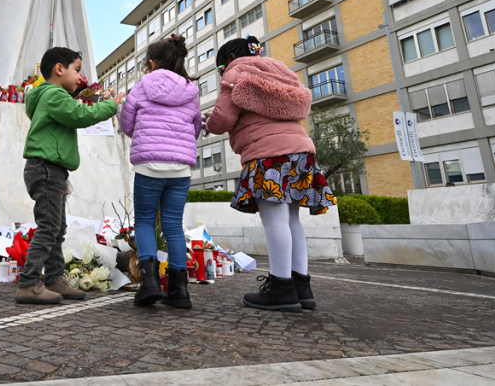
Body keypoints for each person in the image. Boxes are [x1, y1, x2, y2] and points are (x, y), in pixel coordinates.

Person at [204, 35, 335, 313]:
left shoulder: (237, 71)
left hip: (268, 155)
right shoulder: (279, 71)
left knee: (274, 220)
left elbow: (224, 119)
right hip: (301, 151)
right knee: (291, 220)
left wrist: (208, 122)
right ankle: (302, 287)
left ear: (228, 59)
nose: (221, 75)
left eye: (219, 69)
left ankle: (281, 288)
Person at [16, 46, 125, 305]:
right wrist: (112, 104)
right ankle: (29, 283)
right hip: (45, 169)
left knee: (57, 228)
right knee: (49, 227)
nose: (79, 77)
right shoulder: (53, 94)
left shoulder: (47, 95)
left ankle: (54, 278)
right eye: (76, 70)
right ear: (59, 68)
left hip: (49, 170)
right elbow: (80, 115)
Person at [118, 35, 202, 308]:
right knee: (173, 225)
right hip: (180, 169)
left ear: (151, 63)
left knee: (144, 222)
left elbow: (126, 123)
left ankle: (150, 283)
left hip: (148, 166)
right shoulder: (191, 90)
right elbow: (196, 126)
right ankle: (179, 291)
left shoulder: (141, 87)